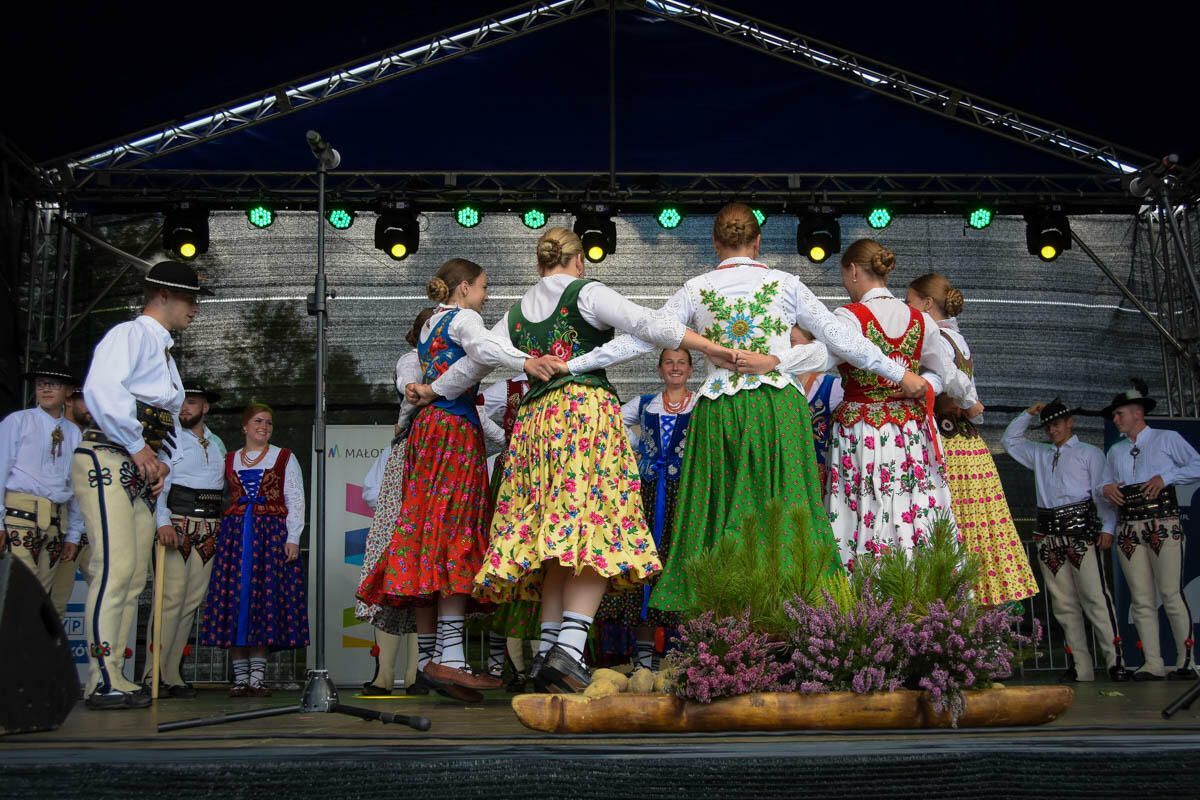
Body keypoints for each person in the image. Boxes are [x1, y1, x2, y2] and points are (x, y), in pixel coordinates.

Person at [412, 227, 735, 692]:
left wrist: (432, 389)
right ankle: (568, 646)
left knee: (554, 543)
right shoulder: (587, 293)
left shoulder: (517, 311)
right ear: (579, 260)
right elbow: (651, 325)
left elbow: (475, 360)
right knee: (596, 527)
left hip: (536, 425)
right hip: (583, 416)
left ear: (539, 263)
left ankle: (548, 655)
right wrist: (713, 348)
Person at [358, 258, 558, 693]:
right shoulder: (465, 319)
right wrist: (527, 361)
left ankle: (435, 656)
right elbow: (483, 353)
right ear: (464, 288)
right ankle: (450, 657)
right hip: (453, 431)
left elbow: (415, 381)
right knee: (456, 532)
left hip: (429, 433)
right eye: (483, 287)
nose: (486, 296)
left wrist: (410, 409)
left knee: (433, 535)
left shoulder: (430, 324)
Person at [73, 260, 205, 709]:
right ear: (162, 296)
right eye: (189, 299)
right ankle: (100, 677)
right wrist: (136, 446)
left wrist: (163, 461)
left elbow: (166, 420)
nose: (195, 308)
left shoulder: (164, 352)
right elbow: (102, 390)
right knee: (114, 567)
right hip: (108, 455)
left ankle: (115, 673)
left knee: (132, 576)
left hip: (137, 467)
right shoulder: (129, 335)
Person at [824, 240, 977, 569]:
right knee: (914, 505)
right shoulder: (920, 320)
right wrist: (935, 389)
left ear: (853, 270)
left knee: (863, 507)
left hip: (861, 430)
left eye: (843, 274)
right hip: (909, 431)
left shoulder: (848, 317)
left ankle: (860, 586)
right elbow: (946, 374)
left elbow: (819, 360)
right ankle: (921, 584)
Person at [907, 273, 1038, 606]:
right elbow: (973, 404)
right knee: (978, 530)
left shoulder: (934, 336)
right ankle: (982, 614)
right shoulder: (958, 338)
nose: (905, 308)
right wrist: (971, 405)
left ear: (926, 303)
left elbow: (954, 384)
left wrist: (966, 401)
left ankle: (958, 611)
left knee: (954, 527)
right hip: (969, 444)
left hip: (948, 446)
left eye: (909, 302)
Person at [1003, 399, 1129, 682]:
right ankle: (1080, 667)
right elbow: (1009, 441)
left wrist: (1108, 527)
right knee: (1063, 604)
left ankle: (1116, 662)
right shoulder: (1040, 453)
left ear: (1070, 422)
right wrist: (1027, 413)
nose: (1052, 430)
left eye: (1057, 424)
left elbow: (1101, 492)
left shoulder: (1090, 453)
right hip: (1049, 535)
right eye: (1048, 426)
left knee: (1095, 597)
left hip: (1080, 532)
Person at [596, 347, 698, 671]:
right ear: (659, 369)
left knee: (678, 562)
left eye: (681, 363)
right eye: (669, 362)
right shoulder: (644, 403)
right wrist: (639, 446)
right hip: (648, 493)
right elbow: (611, 419)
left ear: (691, 370)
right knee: (645, 564)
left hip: (684, 496)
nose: (675, 368)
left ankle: (678, 659)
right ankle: (643, 659)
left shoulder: (701, 404)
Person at [201, 402, 308, 697]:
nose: (264, 427)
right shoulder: (230, 459)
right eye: (258, 421)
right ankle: (240, 678)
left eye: (269, 422)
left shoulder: (284, 457)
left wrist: (293, 537)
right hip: (236, 536)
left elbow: (295, 498)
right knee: (236, 599)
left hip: (270, 535)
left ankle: (257, 677)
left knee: (263, 598)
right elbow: (212, 491)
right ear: (245, 426)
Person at [1102, 380, 1200, 680]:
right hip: (1128, 528)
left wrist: (1166, 477)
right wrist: (1105, 489)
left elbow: (1198, 464)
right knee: (1141, 598)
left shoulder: (1166, 438)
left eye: (1119, 414)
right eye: (1114, 415)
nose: (1115, 419)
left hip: (1163, 523)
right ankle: (1153, 663)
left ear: (1137, 413)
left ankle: (1187, 661)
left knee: (1170, 592)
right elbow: (1102, 487)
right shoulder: (1116, 451)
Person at [357, 308, 431, 697]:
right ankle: (384, 675)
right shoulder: (413, 361)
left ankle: (418, 675)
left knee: (423, 585)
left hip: (437, 465)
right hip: (405, 496)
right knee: (390, 582)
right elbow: (410, 386)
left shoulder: (458, 366)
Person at [143, 384, 226, 697]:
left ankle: (172, 673)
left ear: (206, 407)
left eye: (191, 402)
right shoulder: (169, 438)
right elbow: (159, 483)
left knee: (191, 602)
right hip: (177, 523)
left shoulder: (217, 442)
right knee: (170, 598)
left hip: (209, 527)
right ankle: (152, 674)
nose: (184, 408)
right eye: (181, 403)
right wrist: (162, 521)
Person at [1, 358, 83, 593]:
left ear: (68, 392)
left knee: (41, 595)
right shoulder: (18, 421)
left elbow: (76, 486)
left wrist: (74, 534)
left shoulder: (74, 433)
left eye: (53, 384)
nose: (46, 389)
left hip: (57, 520)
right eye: (40, 384)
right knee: (18, 589)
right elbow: (0, 468)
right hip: (19, 515)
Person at [52, 388, 94, 616]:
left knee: (110, 592)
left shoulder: (95, 435)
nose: (92, 408)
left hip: (93, 527)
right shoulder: (56, 434)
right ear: (69, 401)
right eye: (86, 401)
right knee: (57, 600)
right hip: (65, 526)